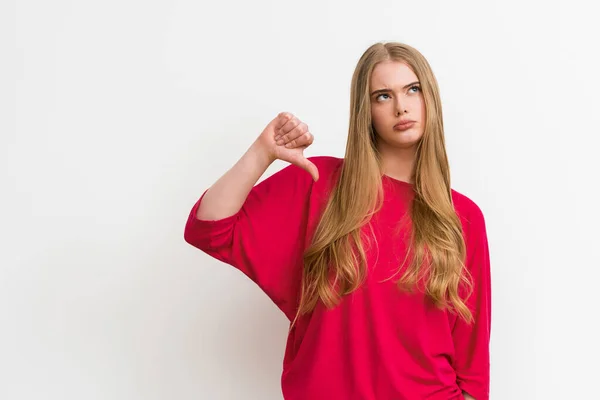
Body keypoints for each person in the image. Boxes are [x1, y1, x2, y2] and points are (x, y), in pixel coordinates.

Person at [184, 42, 491, 400]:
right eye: (382, 96)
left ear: (430, 99)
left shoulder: (463, 217)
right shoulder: (319, 183)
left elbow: (472, 371)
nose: (401, 106)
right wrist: (262, 151)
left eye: (412, 89)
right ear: (367, 111)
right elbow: (208, 229)